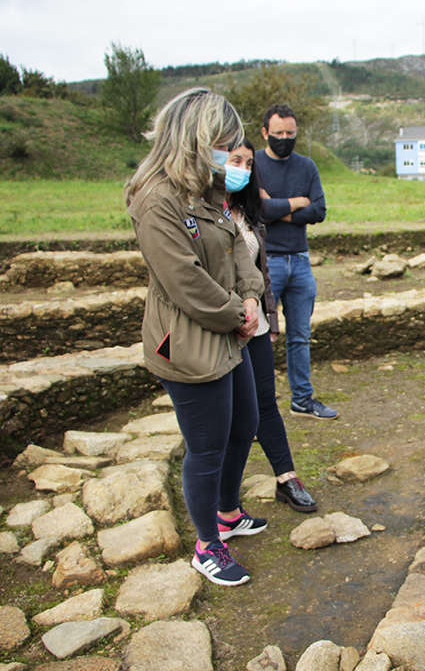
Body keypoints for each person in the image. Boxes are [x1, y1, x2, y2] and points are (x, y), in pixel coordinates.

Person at [126, 88, 269, 587]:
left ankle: (227, 513)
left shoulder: (205, 191)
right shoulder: (157, 199)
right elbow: (184, 281)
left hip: (231, 330)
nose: (229, 153)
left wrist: (251, 296)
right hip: (188, 340)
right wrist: (236, 311)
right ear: (195, 138)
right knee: (207, 446)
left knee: (244, 422)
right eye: (223, 142)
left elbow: (237, 250)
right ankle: (207, 545)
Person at [224, 139, 319, 512]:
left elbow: (259, 270)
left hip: (255, 324)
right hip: (220, 328)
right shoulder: (201, 213)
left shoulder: (246, 213)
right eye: (236, 160)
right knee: (230, 416)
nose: (243, 169)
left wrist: (270, 317)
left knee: (265, 402)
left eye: (248, 163)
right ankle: (223, 504)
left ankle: (286, 478)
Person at [254, 103, 338, 421]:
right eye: (278, 133)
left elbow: (318, 211)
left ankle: (302, 399)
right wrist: (295, 203)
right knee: (259, 334)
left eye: (291, 133)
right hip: (266, 262)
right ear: (265, 132)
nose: (285, 138)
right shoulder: (254, 164)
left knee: (300, 335)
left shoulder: (307, 166)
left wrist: (277, 209)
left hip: (300, 261)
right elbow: (256, 210)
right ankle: (258, 410)